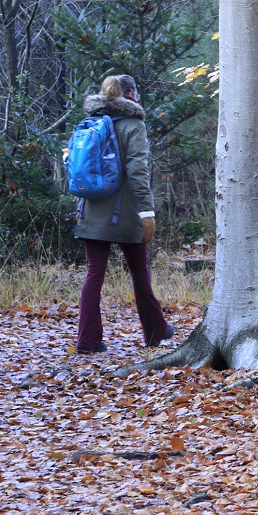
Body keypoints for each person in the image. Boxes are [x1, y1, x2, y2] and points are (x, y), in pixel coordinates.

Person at [71, 74, 173, 353]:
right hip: (126, 212)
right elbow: (138, 172)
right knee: (139, 270)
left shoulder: (91, 122)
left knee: (94, 274)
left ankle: (87, 340)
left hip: (91, 208)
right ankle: (155, 331)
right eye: (136, 93)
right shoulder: (133, 124)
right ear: (130, 95)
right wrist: (147, 212)